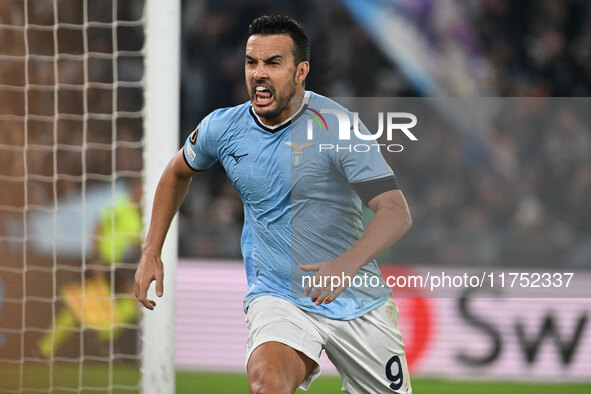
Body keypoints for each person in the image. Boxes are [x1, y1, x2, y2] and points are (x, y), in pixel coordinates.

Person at [135, 15, 413, 393]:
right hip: (279, 295)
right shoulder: (223, 127)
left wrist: (346, 264)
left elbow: (395, 211)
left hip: (356, 300)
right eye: (252, 62)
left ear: (301, 71)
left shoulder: (338, 127)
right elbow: (175, 172)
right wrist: (152, 250)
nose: (258, 74)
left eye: (273, 63)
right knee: (267, 384)